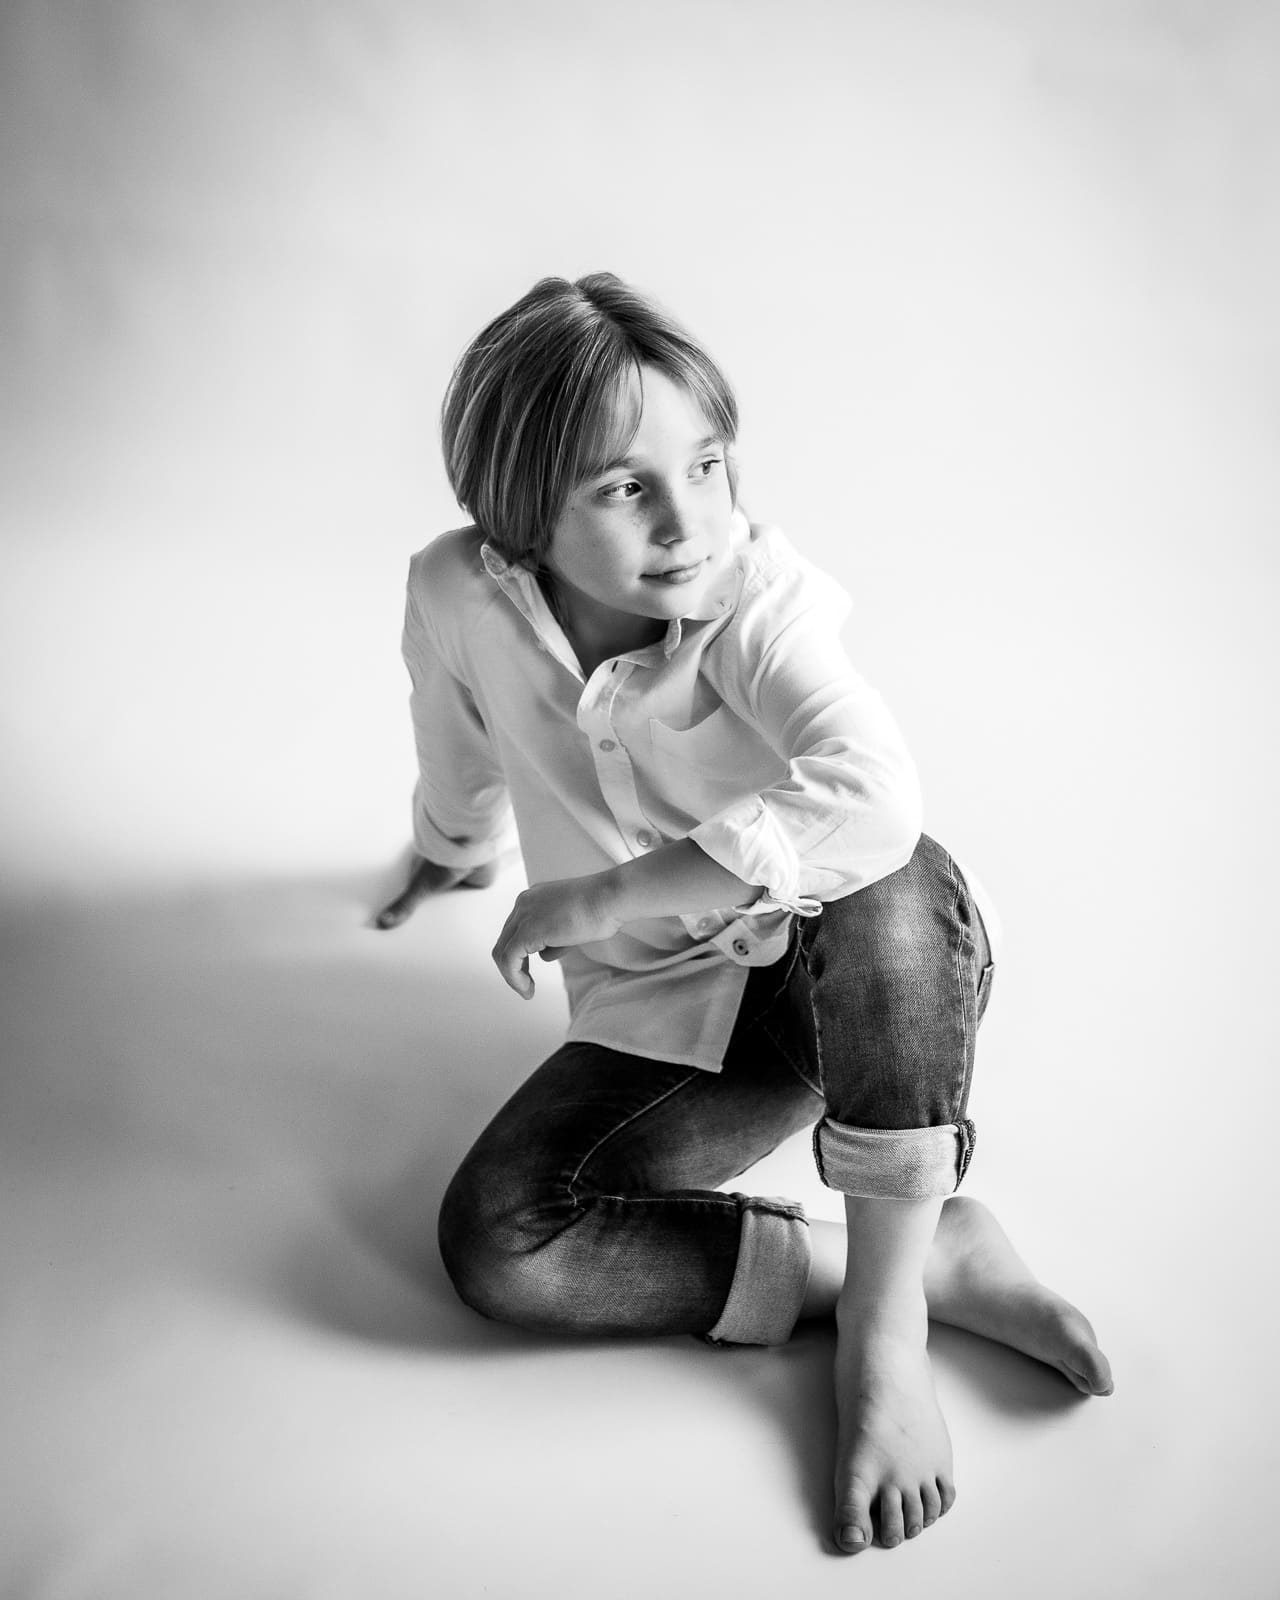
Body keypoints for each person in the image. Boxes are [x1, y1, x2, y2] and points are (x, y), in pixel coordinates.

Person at [376, 272, 1113, 1554]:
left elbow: (871, 797)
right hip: (672, 1010)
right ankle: (920, 1261)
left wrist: (600, 893)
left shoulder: (758, 603)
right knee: (500, 1243)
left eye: (708, 465)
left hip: (873, 986)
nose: (689, 520)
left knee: (883, 875)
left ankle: (885, 1330)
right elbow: (458, 734)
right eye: (625, 488)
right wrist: (448, 850)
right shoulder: (455, 591)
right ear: (516, 508)